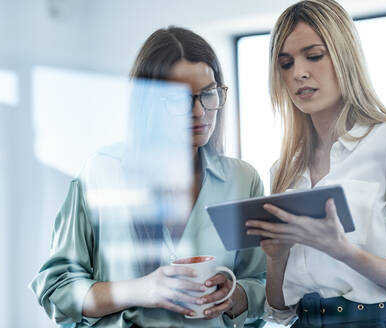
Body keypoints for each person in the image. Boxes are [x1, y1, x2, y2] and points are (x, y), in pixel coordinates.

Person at [30, 27, 266, 328]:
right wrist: (141, 290)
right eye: (179, 99)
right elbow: (57, 289)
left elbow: (261, 283)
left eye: (208, 94)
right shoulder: (101, 173)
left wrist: (233, 296)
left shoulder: (243, 180)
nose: (199, 111)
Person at [245, 1, 386, 327]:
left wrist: (343, 250)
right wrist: (277, 258)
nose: (298, 73)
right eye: (285, 63)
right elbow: (280, 312)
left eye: (313, 56)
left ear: (345, 57)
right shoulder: (283, 169)